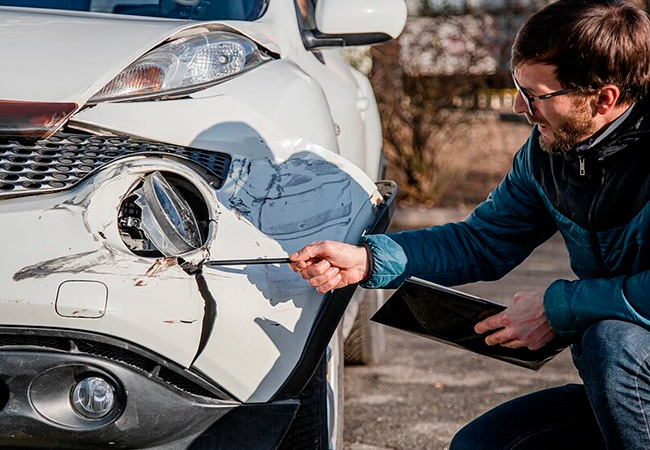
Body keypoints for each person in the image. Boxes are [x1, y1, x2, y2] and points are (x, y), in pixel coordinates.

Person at [288, 0, 650, 448]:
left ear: (604, 98)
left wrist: (559, 308)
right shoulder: (546, 156)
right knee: (481, 444)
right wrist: (367, 260)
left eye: (535, 95)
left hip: (629, 367)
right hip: (624, 387)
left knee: (613, 341)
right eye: (517, 87)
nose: (519, 106)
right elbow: (482, 242)